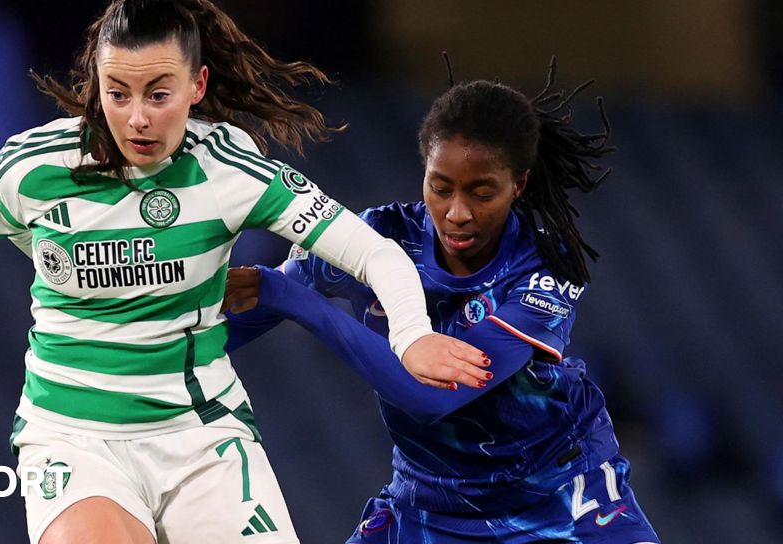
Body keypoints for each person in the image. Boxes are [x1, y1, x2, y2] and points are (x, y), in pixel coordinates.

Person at [0, 0, 490, 544]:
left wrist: (412, 335)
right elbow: (22, 237)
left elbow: (373, 251)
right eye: (117, 92)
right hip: (73, 437)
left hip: (199, 436)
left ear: (197, 85)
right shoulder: (28, 169)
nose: (137, 118)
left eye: (158, 92)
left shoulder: (227, 167)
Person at [224, 59, 661, 543]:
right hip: (428, 507)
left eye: (482, 193)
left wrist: (292, 298)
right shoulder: (376, 239)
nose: (457, 213)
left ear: (519, 185)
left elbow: (430, 398)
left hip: (556, 500)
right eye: (441, 187)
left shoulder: (542, 267)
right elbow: (242, 315)